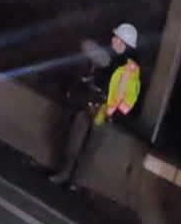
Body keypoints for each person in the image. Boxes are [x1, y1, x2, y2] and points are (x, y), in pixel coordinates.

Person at [49, 22, 141, 187]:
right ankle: (64, 174)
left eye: (118, 39)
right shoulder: (106, 57)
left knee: (90, 148)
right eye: (115, 37)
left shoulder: (129, 68)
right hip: (89, 102)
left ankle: (76, 182)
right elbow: (90, 62)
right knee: (74, 139)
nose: (114, 40)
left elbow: (124, 94)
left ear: (125, 44)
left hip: (105, 111)